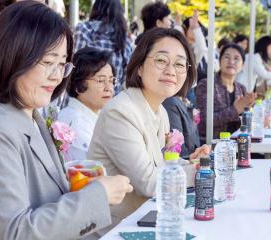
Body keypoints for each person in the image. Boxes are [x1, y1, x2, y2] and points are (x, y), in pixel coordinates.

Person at [0, 2, 133, 239]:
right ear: (13, 56)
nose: (57, 75)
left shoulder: (33, 116)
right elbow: (15, 232)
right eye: (48, 62)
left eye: (62, 64)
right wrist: (97, 195)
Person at [87, 28, 210, 223]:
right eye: (161, 60)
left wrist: (193, 162)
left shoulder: (160, 111)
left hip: (149, 218)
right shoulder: (120, 112)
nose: (171, 70)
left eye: (179, 64)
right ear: (139, 66)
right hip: (117, 228)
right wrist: (200, 172)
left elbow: (160, 166)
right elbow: (150, 183)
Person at [58, 47, 115, 161]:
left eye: (111, 80)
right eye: (100, 80)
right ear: (79, 86)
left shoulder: (100, 114)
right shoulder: (74, 123)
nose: (109, 88)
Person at [196, 44, 256, 142]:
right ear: (219, 61)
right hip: (212, 145)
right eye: (227, 57)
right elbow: (206, 121)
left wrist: (249, 113)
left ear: (243, 65)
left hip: (239, 143)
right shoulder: (207, 85)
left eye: (236, 58)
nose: (231, 62)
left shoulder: (241, 88)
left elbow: (244, 124)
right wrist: (235, 110)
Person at [74, 0, 132, 95]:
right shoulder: (125, 41)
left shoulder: (84, 30)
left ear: (96, 9)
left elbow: (75, 67)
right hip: (111, 100)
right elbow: (127, 78)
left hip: (84, 98)